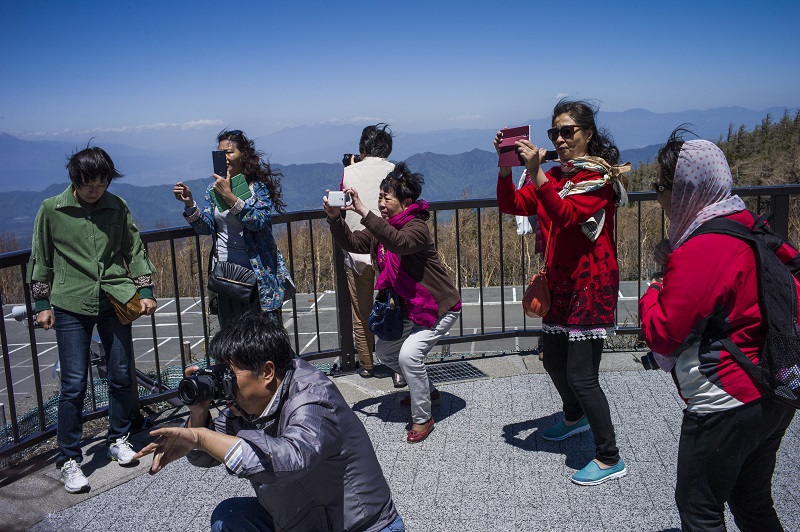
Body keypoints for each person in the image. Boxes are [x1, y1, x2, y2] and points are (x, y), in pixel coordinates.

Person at [639, 130, 796, 531]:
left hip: (726, 399)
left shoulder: (700, 249)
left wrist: (652, 290)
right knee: (752, 500)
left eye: (661, 187)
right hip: (775, 385)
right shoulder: (747, 223)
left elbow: (663, 334)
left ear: (684, 189)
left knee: (700, 508)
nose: (658, 197)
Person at [133, 312, 404, 532]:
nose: (225, 382)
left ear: (267, 371)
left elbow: (292, 459)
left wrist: (201, 438)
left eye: (230, 373)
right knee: (229, 517)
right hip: (305, 520)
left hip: (363, 526)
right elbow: (205, 458)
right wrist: (198, 413)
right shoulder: (246, 405)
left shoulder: (314, 398)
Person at [494, 99, 629, 485]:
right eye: (555, 132)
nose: (560, 138)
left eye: (568, 131)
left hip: (592, 282)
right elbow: (511, 204)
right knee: (553, 358)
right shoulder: (556, 176)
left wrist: (536, 173)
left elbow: (567, 217)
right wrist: (507, 166)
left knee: (582, 374)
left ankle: (609, 456)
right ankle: (575, 417)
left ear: (588, 134)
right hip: (561, 281)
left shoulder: (600, 180)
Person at [27, 146, 158, 493]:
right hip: (70, 301)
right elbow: (40, 256)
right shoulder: (51, 210)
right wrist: (42, 302)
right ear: (76, 180)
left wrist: (145, 291)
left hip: (114, 297)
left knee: (120, 373)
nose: (96, 190)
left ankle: (119, 438)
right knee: (73, 384)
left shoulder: (117, 206)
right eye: (90, 184)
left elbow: (134, 248)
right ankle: (68, 458)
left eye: (102, 183)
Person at [324, 163, 461, 443]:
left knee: (409, 356)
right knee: (386, 351)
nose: (381, 203)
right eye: (380, 197)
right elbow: (353, 242)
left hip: (438, 308)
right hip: (410, 307)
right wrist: (335, 219)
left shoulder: (417, 228)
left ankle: (423, 416)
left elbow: (399, 243)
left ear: (406, 202)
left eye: (387, 198)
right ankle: (427, 390)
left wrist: (364, 212)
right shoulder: (382, 230)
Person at [173, 130, 293, 327]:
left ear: (243, 155)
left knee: (265, 336)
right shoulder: (213, 190)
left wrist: (230, 197)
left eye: (229, 152)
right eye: (220, 153)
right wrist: (189, 204)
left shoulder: (257, 187)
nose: (224, 158)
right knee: (233, 337)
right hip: (226, 275)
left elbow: (258, 221)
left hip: (258, 276)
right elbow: (206, 227)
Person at [340, 123, 405, 387]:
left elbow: (342, 206)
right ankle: (399, 368)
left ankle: (366, 365)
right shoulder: (396, 172)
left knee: (361, 310)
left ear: (363, 148)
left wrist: (352, 166)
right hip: (391, 251)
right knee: (397, 308)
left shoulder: (348, 172)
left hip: (356, 250)